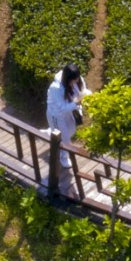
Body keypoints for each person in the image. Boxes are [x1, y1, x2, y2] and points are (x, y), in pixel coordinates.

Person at [45, 65, 88, 198]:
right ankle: (64, 157)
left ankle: (51, 133)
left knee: (71, 130)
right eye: (73, 80)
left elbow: (83, 92)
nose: (76, 82)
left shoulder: (77, 79)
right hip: (56, 114)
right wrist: (78, 103)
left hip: (67, 112)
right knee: (66, 140)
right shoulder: (55, 88)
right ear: (67, 78)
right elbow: (62, 107)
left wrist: (88, 97)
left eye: (77, 80)